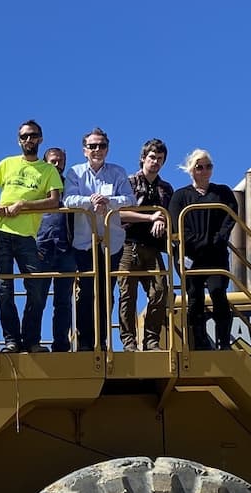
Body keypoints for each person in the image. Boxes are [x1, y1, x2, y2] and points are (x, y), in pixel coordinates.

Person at [0, 119, 64, 353]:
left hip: (27, 237)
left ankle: (31, 339)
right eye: (24, 136)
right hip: (2, 233)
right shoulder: (7, 163)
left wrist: (24, 205)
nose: (29, 140)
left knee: (36, 288)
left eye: (33, 135)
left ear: (40, 139)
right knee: (4, 289)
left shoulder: (49, 170)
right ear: (19, 140)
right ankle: (11, 340)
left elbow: (54, 201)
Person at [59, 129, 132, 352]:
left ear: (107, 148)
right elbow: (68, 199)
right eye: (92, 146)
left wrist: (107, 201)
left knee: (107, 292)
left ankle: (102, 339)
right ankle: (84, 341)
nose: (97, 150)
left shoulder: (118, 172)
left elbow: (130, 199)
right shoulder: (75, 173)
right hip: (84, 242)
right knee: (87, 291)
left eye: (101, 145)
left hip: (112, 242)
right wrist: (91, 201)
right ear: (84, 150)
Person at [169, 149, 239, 351]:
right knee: (195, 297)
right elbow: (176, 224)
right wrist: (197, 243)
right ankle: (198, 342)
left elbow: (230, 216)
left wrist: (216, 239)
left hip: (216, 254)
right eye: (200, 167)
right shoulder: (180, 196)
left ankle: (224, 341)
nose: (205, 170)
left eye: (209, 166)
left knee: (218, 292)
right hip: (191, 256)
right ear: (191, 170)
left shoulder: (222, 192)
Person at [117, 138, 172, 351]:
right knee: (127, 295)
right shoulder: (128, 183)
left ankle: (151, 340)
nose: (155, 162)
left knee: (160, 291)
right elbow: (119, 213)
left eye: (160, 159)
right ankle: (129, 342)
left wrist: (162, 220)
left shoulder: (166, 189)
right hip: (128, 245)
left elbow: (172, 215)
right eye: (152, 157)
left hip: (153, 248)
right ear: (143, 158)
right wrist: (151, 218)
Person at [35, 145, 78, 352]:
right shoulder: (38, 184)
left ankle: (61, 343)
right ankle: (32, 341)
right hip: (41, 246)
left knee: (63, 301)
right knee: (37, 297)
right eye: (53, 160)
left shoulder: (71, 184)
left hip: (66, 248)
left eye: (60, 160)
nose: (56, 164)